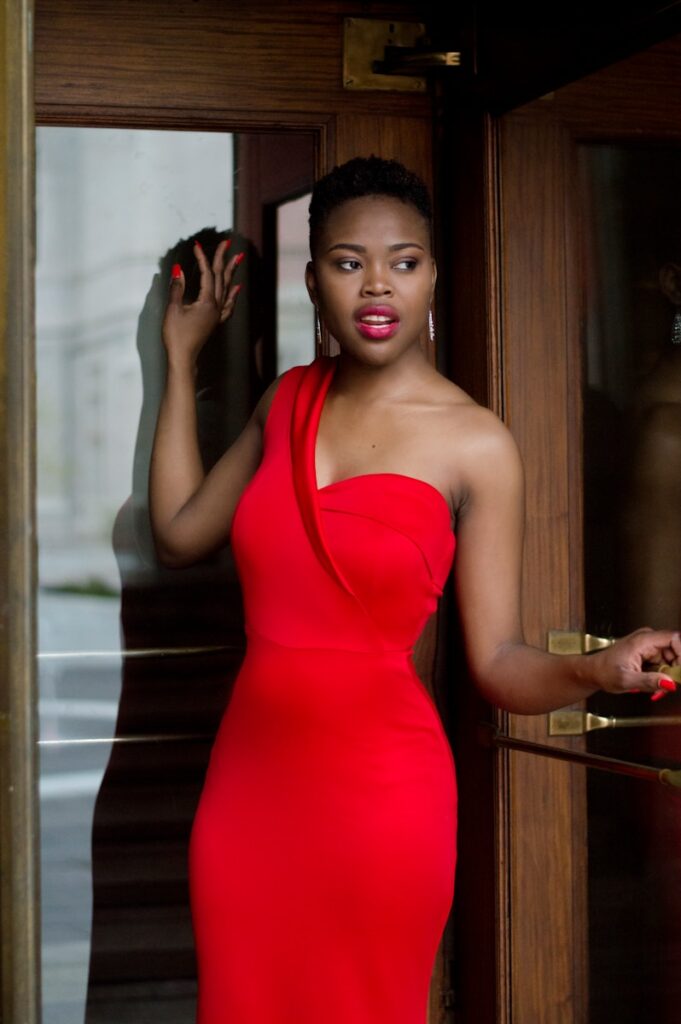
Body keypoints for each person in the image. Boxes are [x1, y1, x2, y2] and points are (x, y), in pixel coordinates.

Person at [148, 156, 681, 1024]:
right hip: (249, 788)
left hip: (382, 799)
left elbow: (499, 663)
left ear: (433, 275)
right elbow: (178, 535)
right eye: (347, 261)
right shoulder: (286, 401)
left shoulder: (477, 444)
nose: (375, 285)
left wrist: (598, 670)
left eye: (403, 260)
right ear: (315, 278)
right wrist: (179, 359)